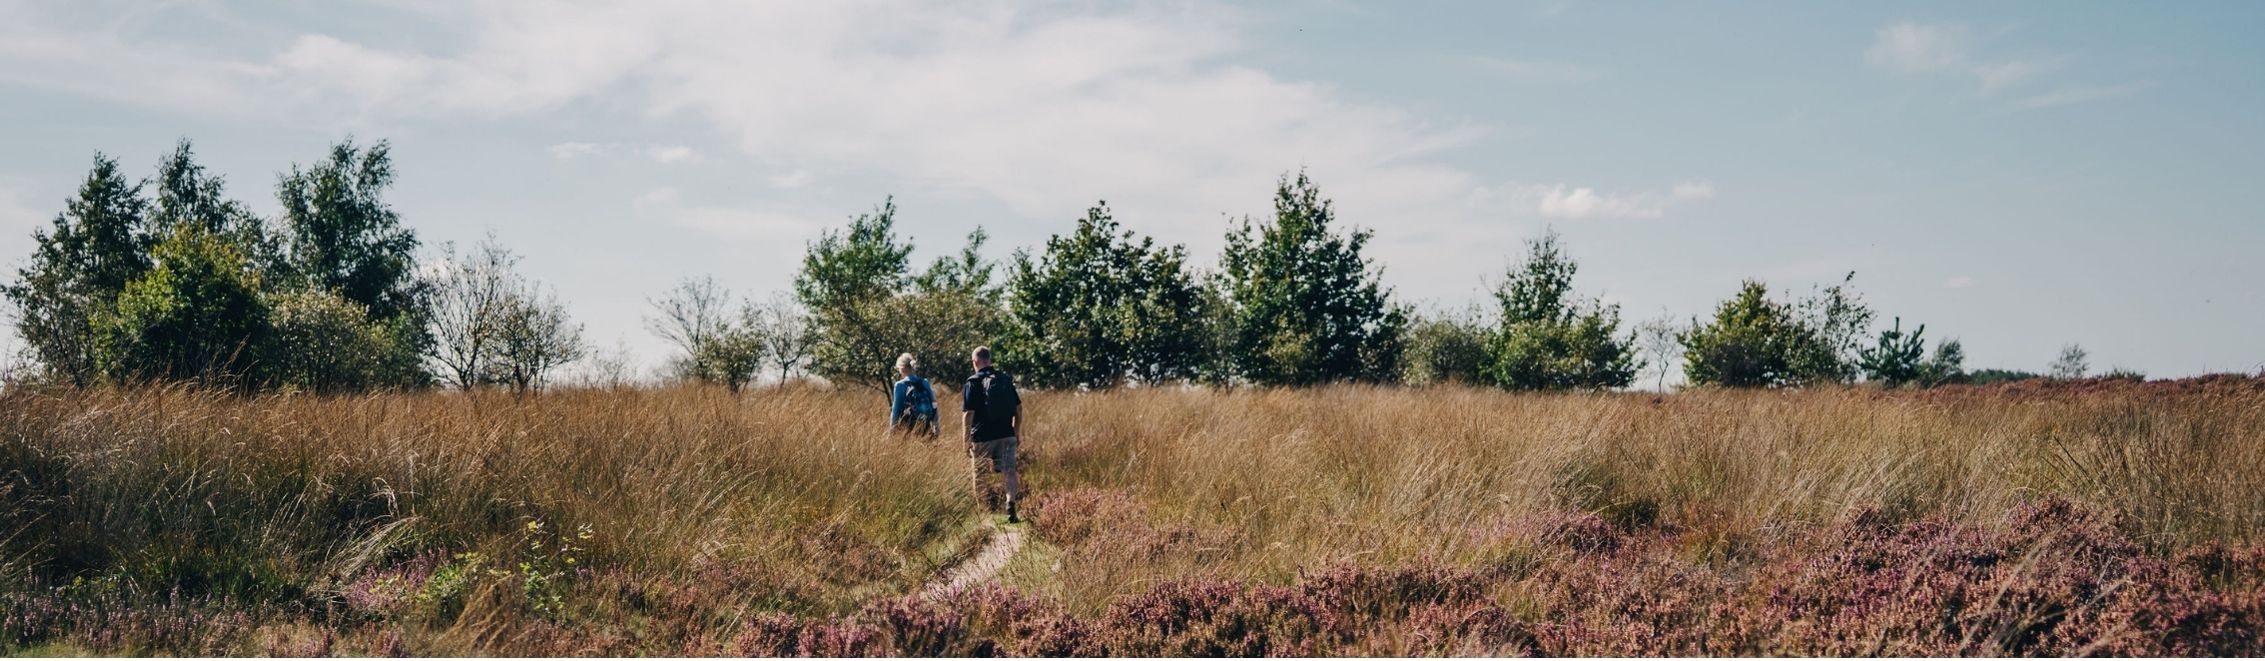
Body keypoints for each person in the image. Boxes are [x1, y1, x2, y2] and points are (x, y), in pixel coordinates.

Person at [961, 345, 1023, 523]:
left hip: (982, 436)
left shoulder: (972, 382)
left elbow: (968, 414)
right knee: (1010, 471)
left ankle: (983, 512)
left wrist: (966, 441)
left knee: (979, 474)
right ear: (989, 359)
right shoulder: (1004, 379)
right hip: (1006, 433)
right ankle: (1011, 505)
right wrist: (1016, 432)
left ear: (975, 362)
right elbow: (1019, 409)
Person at [888, 353, 939, 437]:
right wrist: (936, 428)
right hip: (925, 427)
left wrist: (892, 430)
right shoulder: (924, 382)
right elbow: (934, 405)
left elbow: (895, 410)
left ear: (902, 368)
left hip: (907, 429)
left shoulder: (899, 385)